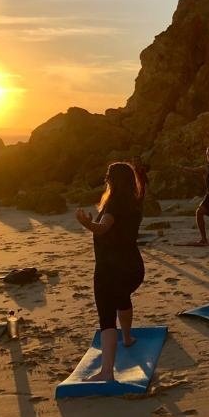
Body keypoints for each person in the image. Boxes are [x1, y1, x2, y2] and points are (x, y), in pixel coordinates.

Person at [75, 162, 145, 382]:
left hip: (111, 269)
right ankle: (127, 338)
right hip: (133, 268)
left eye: (108, 176)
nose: (105, 178)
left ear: (113, 180)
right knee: (122, 298)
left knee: (106, 317)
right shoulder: (134, 202)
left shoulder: (114, 204)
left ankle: (106, 372)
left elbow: (104, 227)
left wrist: (86, 223)